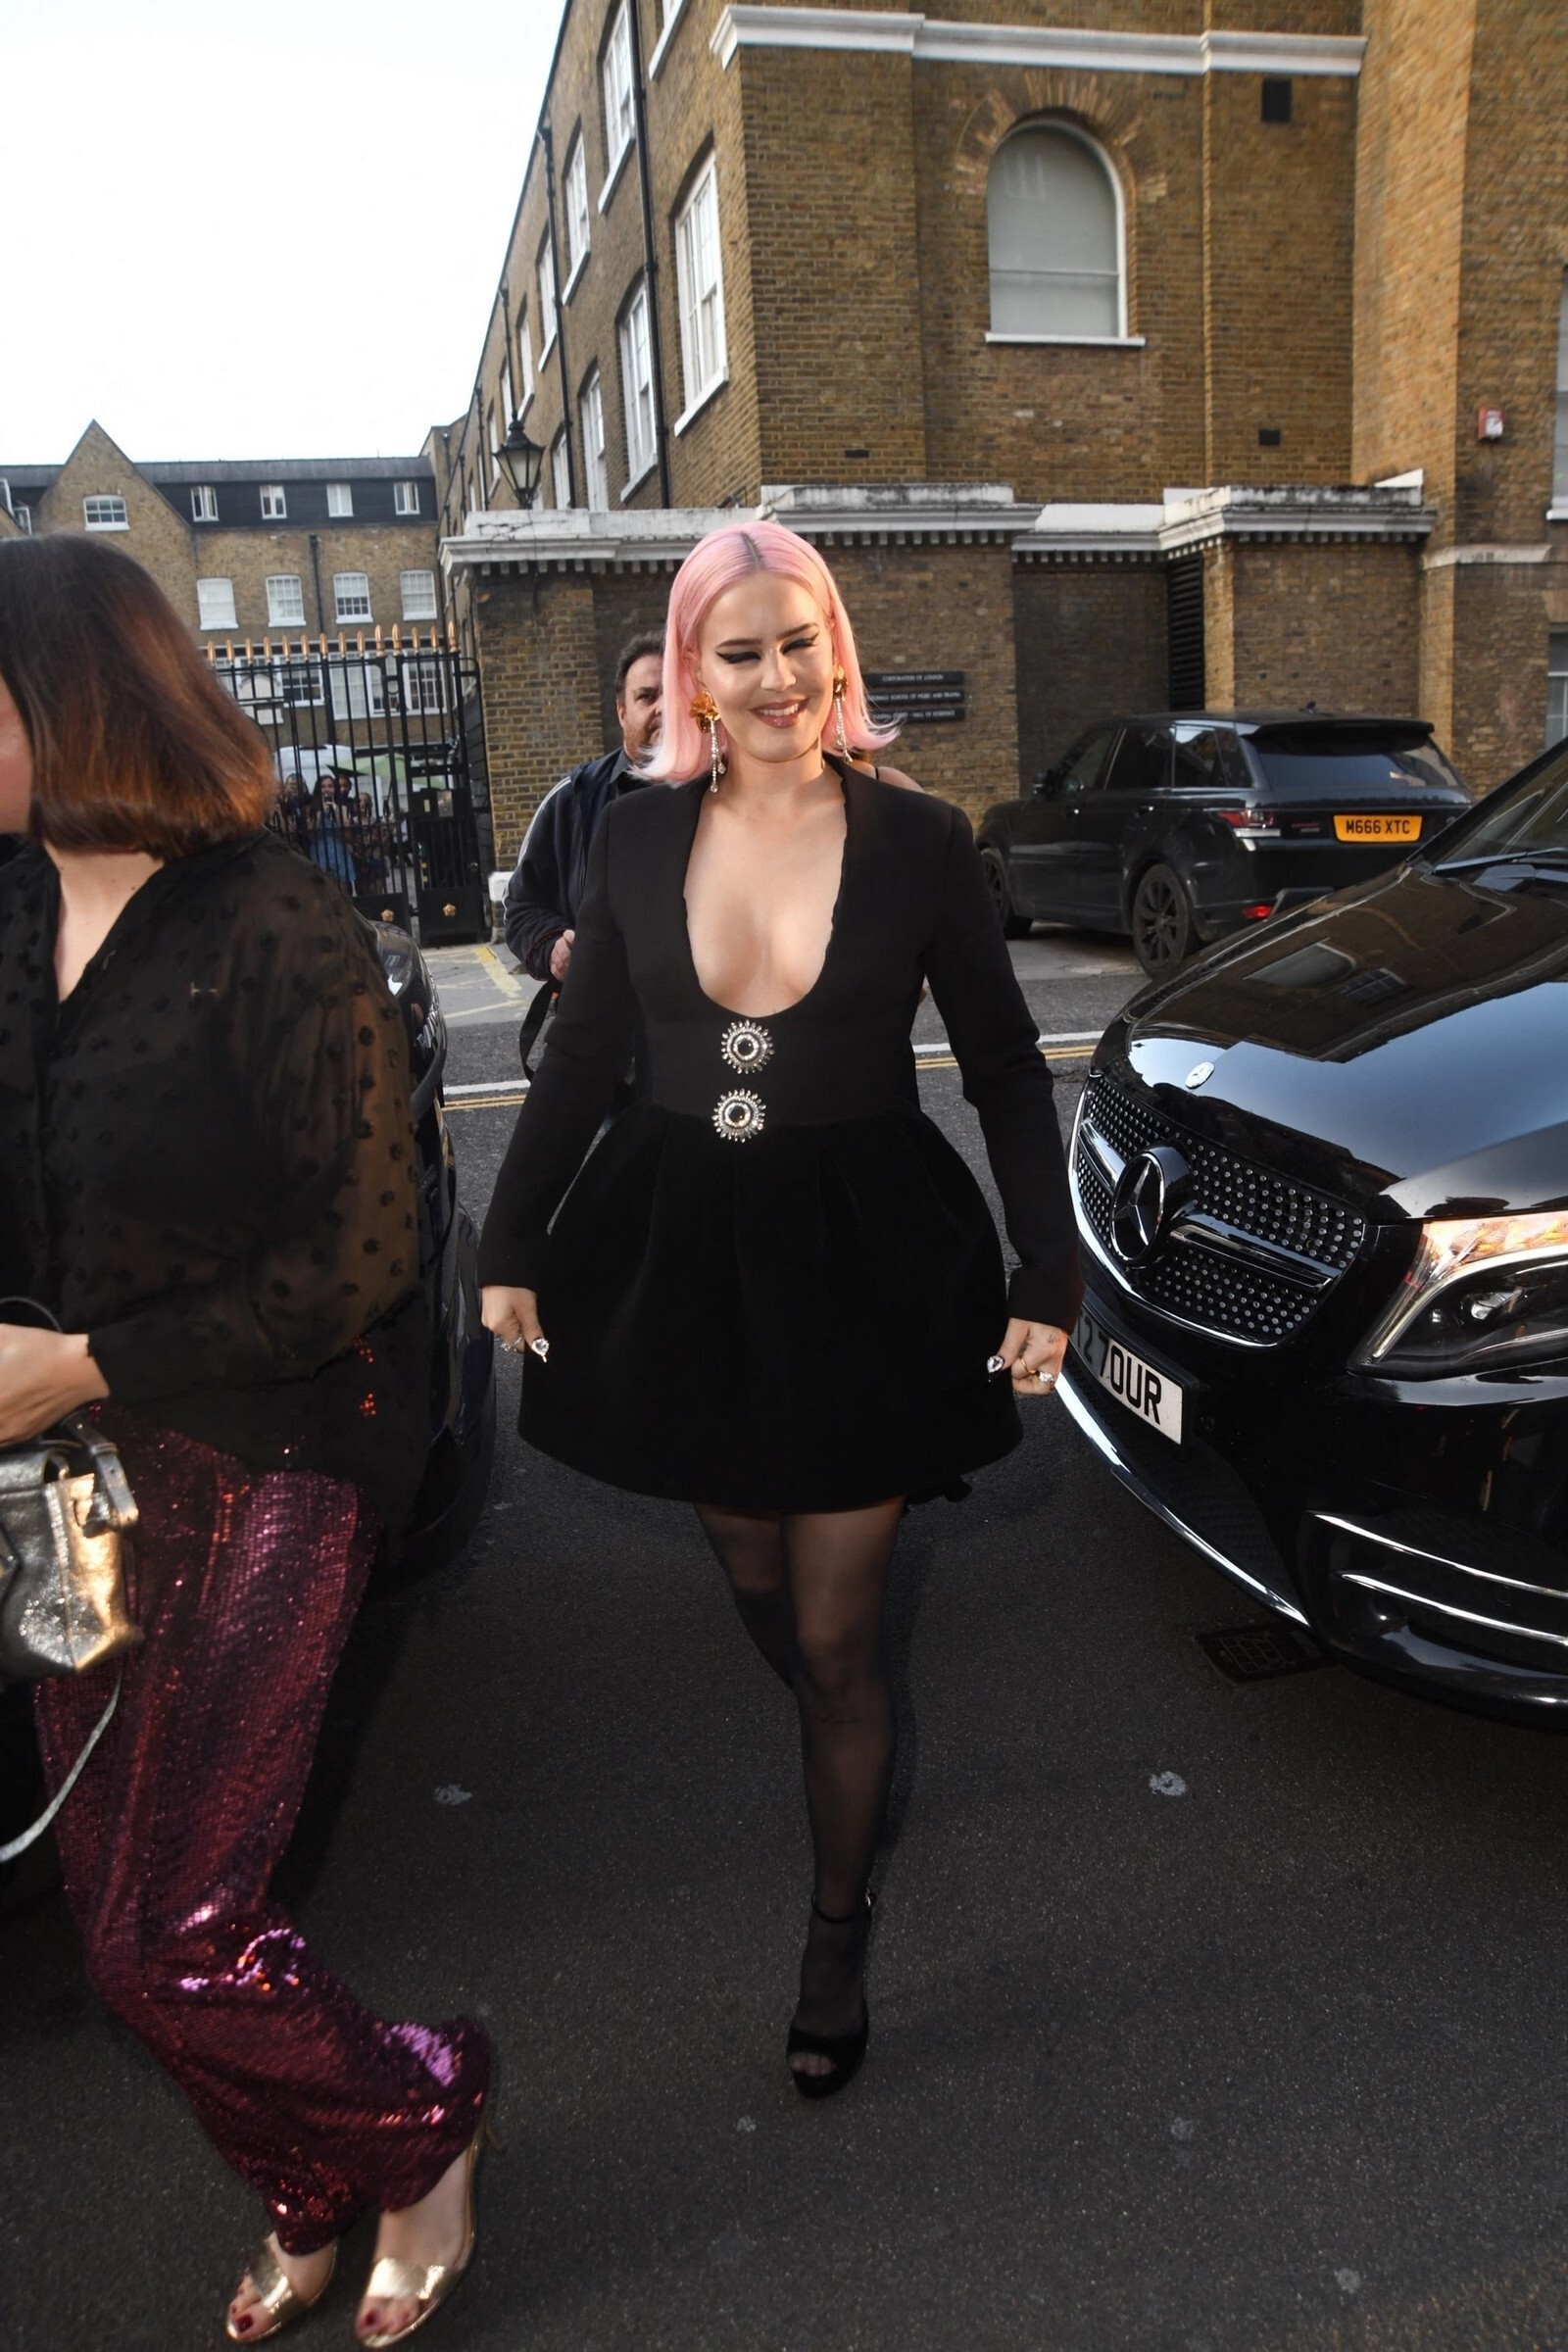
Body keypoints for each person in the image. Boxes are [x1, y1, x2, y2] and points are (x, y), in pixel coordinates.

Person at [478, 520, 1081, 2098]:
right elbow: (582, 1064)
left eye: (799, 642)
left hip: (866, 1258)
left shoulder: (921, 841)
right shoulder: (630, 840)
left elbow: (1009, 1069)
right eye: (739, 652)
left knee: (836, 1626)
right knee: (752, 1563)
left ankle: (833, 1928)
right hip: (682, 1251)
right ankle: (836, 1721)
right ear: (693, 673)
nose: (776, 679)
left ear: (837, 649)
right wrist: (509, 1242)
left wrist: (1048, 1270)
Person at [0, 534, 490, 2347]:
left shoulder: (273, 922)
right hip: (74, 1489)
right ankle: (301, 2183)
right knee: (109, 1919)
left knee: (180, 1929)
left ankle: (423, 2116)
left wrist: (80, 1362)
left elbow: (361, 1257)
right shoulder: (5, 908)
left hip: (271, 1459)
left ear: (71, 699)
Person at [503, 627, 665, 989]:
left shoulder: (724, 793)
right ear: (622, 712)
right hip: (606, 1011)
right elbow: (521, 906)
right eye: (647, 696)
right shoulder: (572, 800)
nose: (664, 708)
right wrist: (554, 948)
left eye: (675, 694)